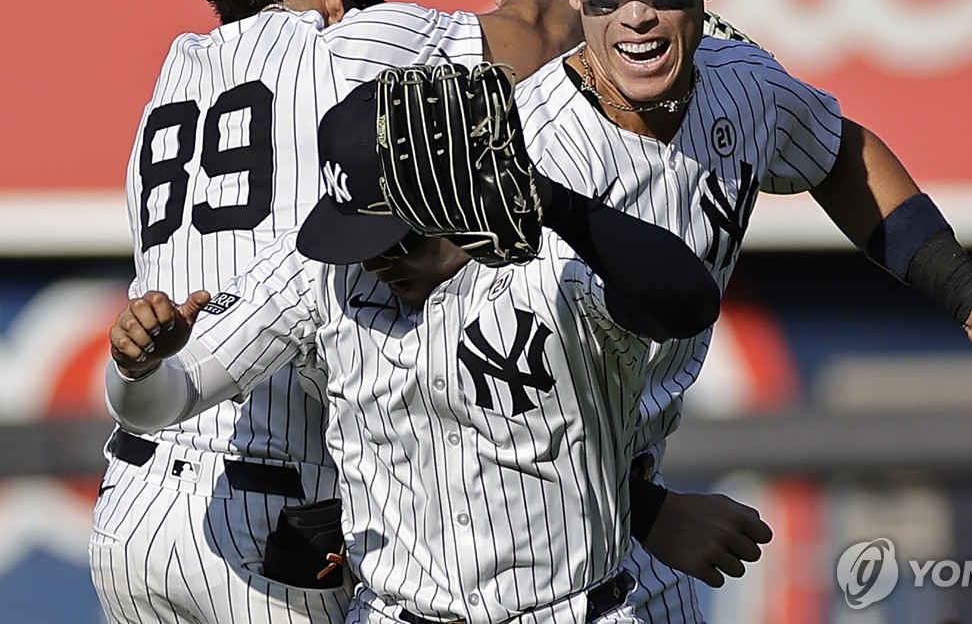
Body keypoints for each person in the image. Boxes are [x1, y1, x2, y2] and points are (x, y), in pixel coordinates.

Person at [512, 0, 972, 622]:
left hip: (628, 514)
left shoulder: (739, 82)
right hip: (500, 540)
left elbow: (840, 152)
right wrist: (650, 511)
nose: (637, 16)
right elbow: (484, 411)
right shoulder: (535, 152)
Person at [90, 0, 582, 624]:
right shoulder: (350, 40)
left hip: (132, 504)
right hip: (268, 517)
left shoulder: (173, 73)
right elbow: (537, 33)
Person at [105, 78, 722, 624]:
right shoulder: (323, 276)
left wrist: (554, 201)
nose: (374, 260)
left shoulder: (555, 268)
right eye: (358, 239)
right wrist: (139, 366)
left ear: (453, 195)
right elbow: (167, 401)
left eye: (394, 239)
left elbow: (688, 304)